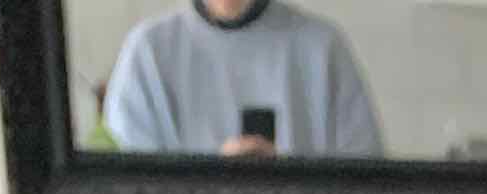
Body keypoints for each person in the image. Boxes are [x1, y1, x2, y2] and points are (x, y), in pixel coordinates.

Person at [104, 0, 386, 158]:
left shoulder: (323, 47)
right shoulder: (149, 50)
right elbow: (131, 191)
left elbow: (363, 179)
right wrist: (218, 181)